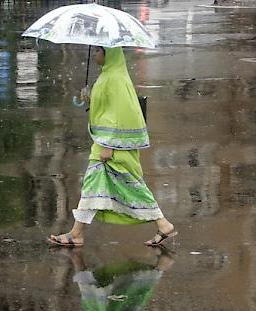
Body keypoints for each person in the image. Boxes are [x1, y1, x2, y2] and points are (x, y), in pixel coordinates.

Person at [47, 46, 176, 248]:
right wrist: (90, 97)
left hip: (110, 146)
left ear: (109, 54)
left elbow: (119, 113)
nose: (95, 55)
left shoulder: (114, 78)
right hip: (105, 143)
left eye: (98, 51)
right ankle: (162, 223)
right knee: (117, 186)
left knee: (115, 185)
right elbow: (106, 105)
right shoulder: (110, 75)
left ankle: (76, 234)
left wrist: (110, 145)